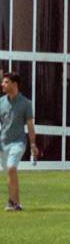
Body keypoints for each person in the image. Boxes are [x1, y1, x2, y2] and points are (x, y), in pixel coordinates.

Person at [1, 73, 37, 211]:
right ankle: (16, 203)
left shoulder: (26, 103)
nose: (2, 84)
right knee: (10, 173)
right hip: (3, 144)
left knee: (11, 168)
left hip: (18, 142)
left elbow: (30, 125)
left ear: (14, 84)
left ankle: (11, 202)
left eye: (6, 82)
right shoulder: (1, 102)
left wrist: (33, 144)